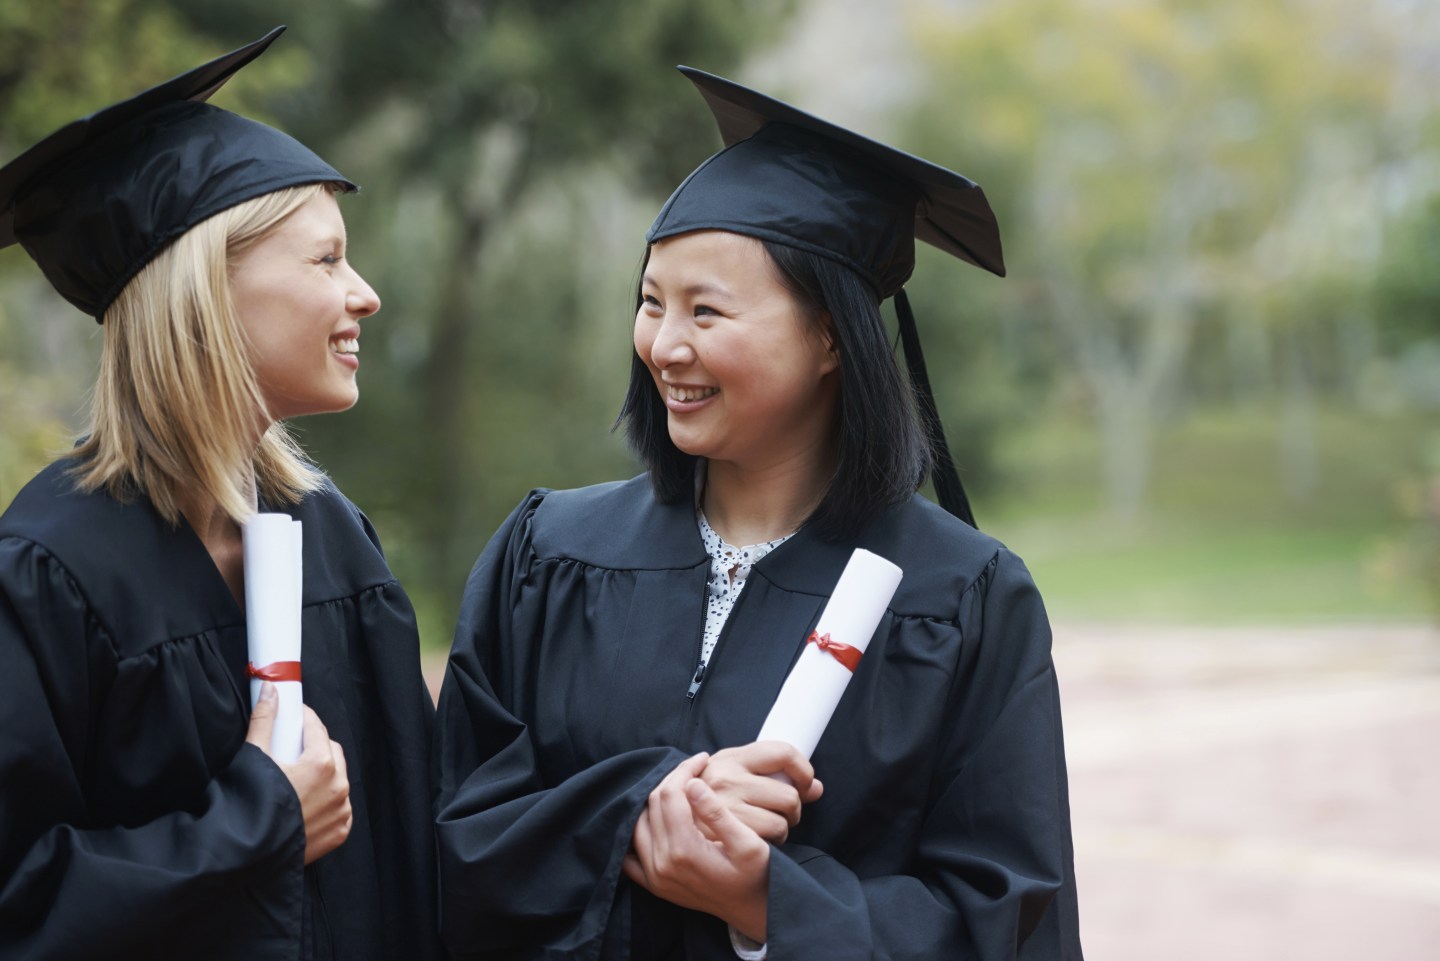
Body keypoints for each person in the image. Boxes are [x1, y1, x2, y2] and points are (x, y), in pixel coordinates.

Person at [434, 67, 1083, 960]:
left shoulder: (963, 598)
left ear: (828, 336)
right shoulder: (549, 553)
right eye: (652, 302)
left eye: (707, 310)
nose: (665, 345)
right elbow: (448, 835)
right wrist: (636, 816)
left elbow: (1008, 921)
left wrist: (772, 904)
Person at [0, 28, 443, 961]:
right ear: (205, 292)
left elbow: (421, 842)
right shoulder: (47, 571)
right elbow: (19, 902)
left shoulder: (334, 538)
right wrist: (256, 821)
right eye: (324, 261)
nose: (363, 294)